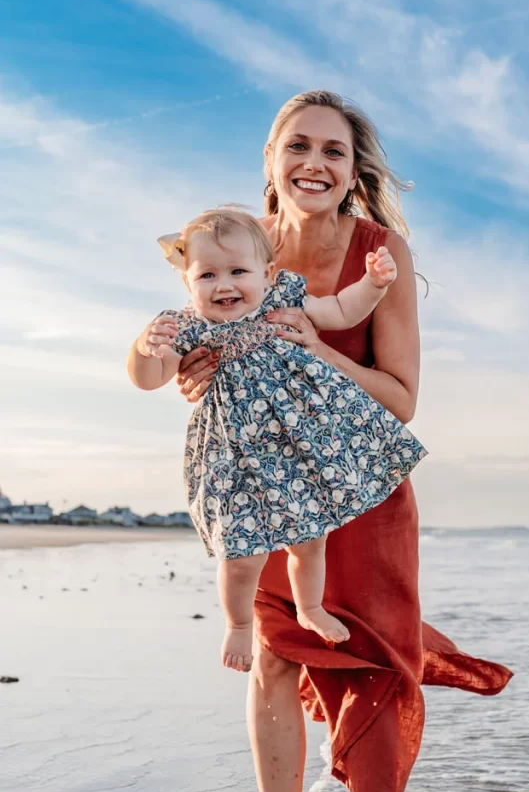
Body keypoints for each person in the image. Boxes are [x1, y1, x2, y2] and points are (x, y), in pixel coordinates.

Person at [169, 90, 513, 792]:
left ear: (354, 169)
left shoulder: (378, 251)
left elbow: (400, 400)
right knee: (273, 664)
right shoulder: (235, 248)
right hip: (267, 493)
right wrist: (193, 373)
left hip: (364, 497)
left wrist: (315, 348)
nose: (313, 163)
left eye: (332, 149)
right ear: (270, 158)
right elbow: (195, 354)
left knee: (372, 667)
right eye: (298, 146)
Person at [128, 205, 426, 669]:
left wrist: (374, 284)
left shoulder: (280, 300)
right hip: (234, 455)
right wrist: (144, 348)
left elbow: (343, 310)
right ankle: (239, 625)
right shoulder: (188, 327)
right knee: (244, 552)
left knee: (310, 540)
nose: (224, 285)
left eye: (238, 271)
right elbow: (150, 378)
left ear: (268, 274)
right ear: (188, 282)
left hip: (297, 447)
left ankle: (310, 608)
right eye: (207, 275)